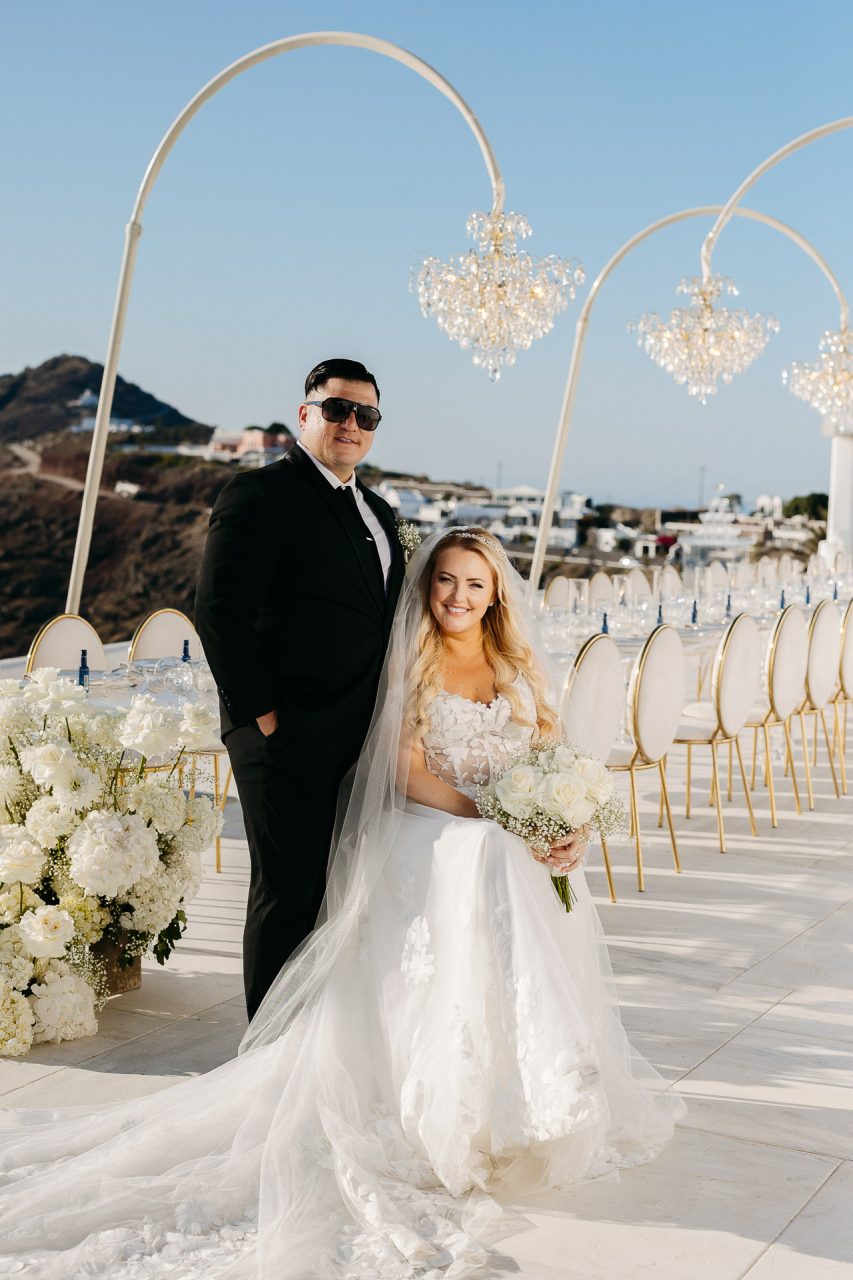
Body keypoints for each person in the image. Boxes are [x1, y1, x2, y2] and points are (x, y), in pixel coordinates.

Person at [0, 527, 684, 1279]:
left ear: (496, 598)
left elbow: (549, 762)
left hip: (493, 824)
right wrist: (501, 818)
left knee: (512, 860)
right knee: (491, 855)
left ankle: (533, 1094)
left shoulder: (515, 668)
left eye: (474, 586)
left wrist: (564, 825)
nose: (457, 596)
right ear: (429, 588)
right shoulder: (410, 662)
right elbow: (405, 771)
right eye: (446, 581)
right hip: (427, 823)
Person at [195, 358, 405, 1018]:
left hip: (358, 731)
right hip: (284, 733)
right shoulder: (260, 495)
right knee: (287, 894)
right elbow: (219, 611)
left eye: (364, 415)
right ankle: (268, 1057)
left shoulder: (376, 510)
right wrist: (262, 717)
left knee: (338, 891)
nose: (350, 424)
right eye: (337, 409)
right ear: (305, 414)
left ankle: (319, 1041)